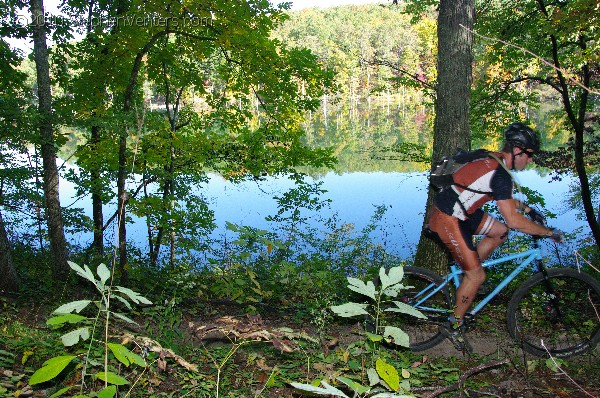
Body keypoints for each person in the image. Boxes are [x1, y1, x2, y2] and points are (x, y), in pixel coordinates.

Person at [427, 122, 564, 351]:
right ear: (517, 150)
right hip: (448, 218)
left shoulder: (495, 160)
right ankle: (454, 326)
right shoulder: (500, 174)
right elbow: (513, 220)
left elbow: (498, 198)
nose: (530, 161)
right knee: (477, 276)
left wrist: (528, 210)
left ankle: (469, 275)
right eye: (529, 155)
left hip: (462, 211)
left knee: (500, 232)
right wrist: (549, 233)